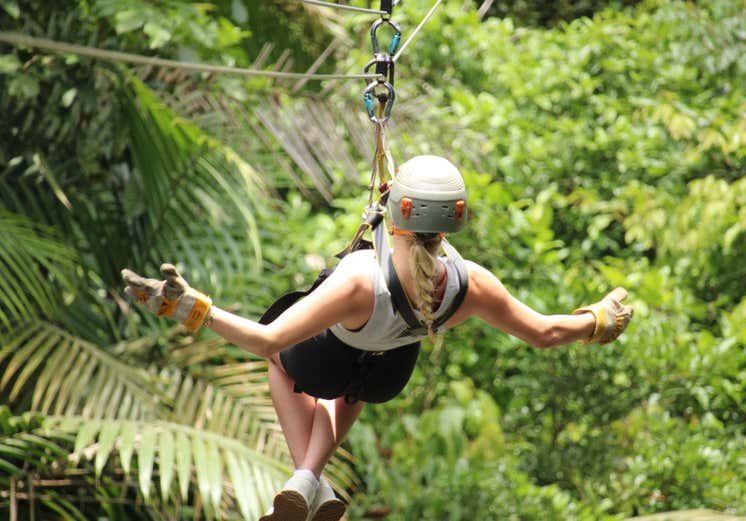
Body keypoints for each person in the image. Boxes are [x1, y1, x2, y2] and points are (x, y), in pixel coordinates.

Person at [121, 155, 633, 521]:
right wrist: (599, 320)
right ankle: (311, 482)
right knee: (356, 382)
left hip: (324, 364)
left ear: (396, 214)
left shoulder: (360, 281)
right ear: (451, 224)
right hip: (387, 376)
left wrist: (195, 308)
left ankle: (307, 474)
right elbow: (545, 332)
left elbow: (266, 340)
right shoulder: (470, 284)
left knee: (280, 359)